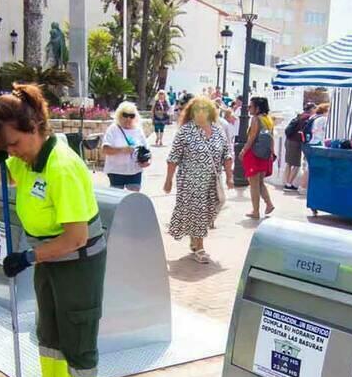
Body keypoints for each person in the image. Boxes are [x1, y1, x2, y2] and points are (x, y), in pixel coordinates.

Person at [0, 83, 107, 377]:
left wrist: (28, 257)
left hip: (76, 263)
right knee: (49, 334)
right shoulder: (26, 159)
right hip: (49, 259)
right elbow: (14, 181)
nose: (11, 153)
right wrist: (0, 162)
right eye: (4, 147)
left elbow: (75, 237)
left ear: (36, 127)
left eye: (14, 143)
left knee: (77, 340)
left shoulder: (63, 168)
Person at [164, 96, 233, 263]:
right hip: (190, 181)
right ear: (192, 112)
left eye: (204, 108)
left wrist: (230, 177)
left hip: (212, 181)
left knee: (210, 211)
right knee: (198, 211)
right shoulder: (185, 131)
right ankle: (200, 247)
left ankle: (194, 239)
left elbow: (227, 154)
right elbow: (173, 157)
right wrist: (168, 180)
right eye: (198, 109)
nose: (201, 112)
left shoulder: (218, 131)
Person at [240, 96, 277, 218]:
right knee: (260, 182)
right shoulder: (269, 119)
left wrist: (243, 151)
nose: (248, 108)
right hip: (265, 154)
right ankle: (269, 204)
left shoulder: (256, 119)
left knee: (254, 184)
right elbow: (271, 137)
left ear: (257, 108)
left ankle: (255, 211)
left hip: (254, 153)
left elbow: (252, 137)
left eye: (251, 106)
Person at [102, 101, 150, 191]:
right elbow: (105, 149)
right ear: (119, 115)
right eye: (125, 115)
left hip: (135, 171)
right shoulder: (113, 129)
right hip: (116, 172)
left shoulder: (138, 130)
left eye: (131, 116)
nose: (128, 118)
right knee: (117, 200)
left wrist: (147, 160)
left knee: (133, 199)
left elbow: (146, 149)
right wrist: (122, 150)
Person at [282, 103, 316, 191]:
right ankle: (288, 185)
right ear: (311, 109)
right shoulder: (307, 118)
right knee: (296, 165)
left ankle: (286, 183)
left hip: (289, 140)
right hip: (296, 142)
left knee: (289, 163)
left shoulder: (299, 116)